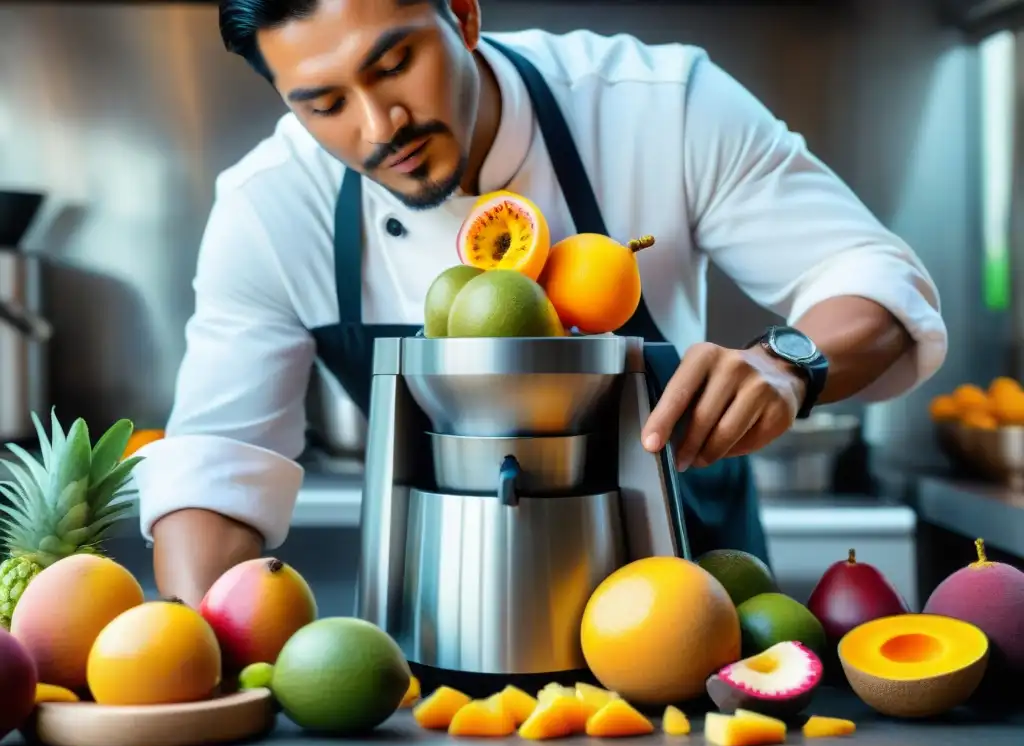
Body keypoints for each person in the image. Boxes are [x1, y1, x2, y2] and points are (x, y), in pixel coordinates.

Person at [133, 0, 948, 607]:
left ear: (462, 13)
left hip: (696, 623)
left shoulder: (659, 104)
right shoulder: (270, 207)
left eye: (394, 64)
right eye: (325, 103)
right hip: (442, 644)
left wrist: (787, 367)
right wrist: (190, 655)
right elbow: (217, 468)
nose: (383, 125)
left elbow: (875, 279)